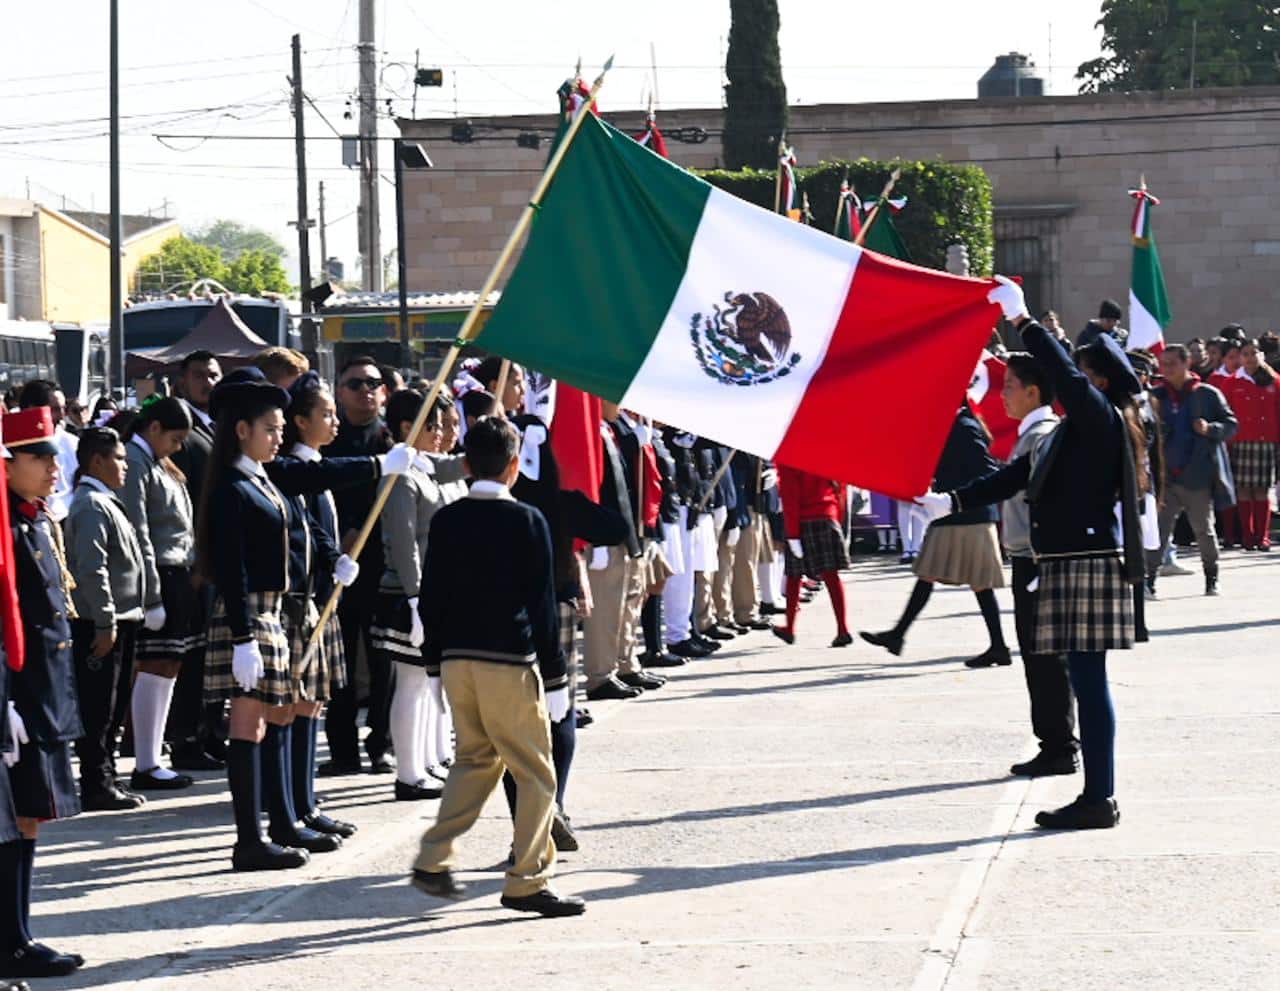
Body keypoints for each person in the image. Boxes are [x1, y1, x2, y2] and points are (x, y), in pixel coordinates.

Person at [923, 280, 1147, 829]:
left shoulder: (1099, 420)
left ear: (1095, 380)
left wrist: (1024, 323)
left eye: (1082, 371)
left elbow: (1064, 378)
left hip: (1085, 560)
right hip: (1069, 561)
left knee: (1090, 684)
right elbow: (1015, 477)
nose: (1075, 378)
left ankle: (1100, 796)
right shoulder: (1072, 432)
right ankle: (1097, 792)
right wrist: (949, 500)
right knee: (1085, 680)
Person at [197, 371, 395, 870]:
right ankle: (249, 839)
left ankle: (282, 821)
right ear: (242, 430)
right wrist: (242, 636)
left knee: (279, 715)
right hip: (252, 615)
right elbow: (231, 567)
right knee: (248, 724)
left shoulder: (263, 478)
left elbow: (304, 519)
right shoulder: (230, 488)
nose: (279, 435)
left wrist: (332, 558)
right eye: (270, 427)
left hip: (275, 610)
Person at [410, 416, 583, 917]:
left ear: (465, 464)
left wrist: (434, 659)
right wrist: (555, 677)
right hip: (509, 659)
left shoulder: (447, 519)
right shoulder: (528, 520)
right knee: (535, 774)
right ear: (514, 466)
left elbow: (434, 593)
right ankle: (527, 881)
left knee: (474, 760)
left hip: (457, 658)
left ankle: (434, 856)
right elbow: (541, 604)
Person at [2, 406, 86, 975]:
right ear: (9, 465)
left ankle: (20, 933)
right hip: (19, 692)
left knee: (31, 817)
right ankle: (11, 940)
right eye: (40, 457)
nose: (55, 467)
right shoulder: (6, 526)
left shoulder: (34, 519)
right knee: (11, 820)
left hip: (45, 692)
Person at [861, 403, 1010, 667]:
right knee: (934, 575)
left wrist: (956, 495)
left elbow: (987, 470)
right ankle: (898, 635)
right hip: (958, 514)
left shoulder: (964, 427)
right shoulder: (956, 424)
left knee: (966, 581)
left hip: (966, 514)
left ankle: (998, 646)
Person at [277, 373, 360, 839]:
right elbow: (306, 528)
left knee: (314, 701)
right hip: (301, 598)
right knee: (296, 701)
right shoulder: (296, 471)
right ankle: (291, 804)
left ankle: (307, 804)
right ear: (299, 420)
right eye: (324, 414)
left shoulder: (317, 467)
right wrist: (331, 560)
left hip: (322, 596)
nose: (333, 421)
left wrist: (338, 561)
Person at [65, 427, 165, 812]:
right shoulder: (91, 504)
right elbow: (93, 569)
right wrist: (105, 622)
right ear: (97, 461)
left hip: (122, 618)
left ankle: (107, 777)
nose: (125, 465)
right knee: (99, 706)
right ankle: (96, 783)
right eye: (118, 458)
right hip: (101, 622)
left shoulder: (107, 501)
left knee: (113, 700)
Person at [990, 354, 1077, 776]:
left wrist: (1042, 558)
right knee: (1038, 656)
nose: (1003, 393)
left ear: (1033, 392)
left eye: (1009, 385)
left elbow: (1048, 500)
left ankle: (1059, 746)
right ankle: (1055, 743)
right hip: (1029, 558)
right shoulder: (1033, 434)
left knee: (1044, 657)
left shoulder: (1040, 435)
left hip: (1037, 560)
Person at [117, 398, 203, 792]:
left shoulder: (153, 461)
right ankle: (146, 761)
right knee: (156, 664)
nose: (179, 446)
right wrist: (151, 594)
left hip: (176, 571)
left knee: (169, 664)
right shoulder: (136, 462)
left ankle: (153, 756)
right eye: (175, 437)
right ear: (153, 428)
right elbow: (140, 532)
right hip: (160, 574)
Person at [372, 390, 451, 802]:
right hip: (405, 592)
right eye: (432, 425)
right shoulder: (401, 475)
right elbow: (404, 543)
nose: (439, 434)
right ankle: (407, 773)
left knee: (421, 683)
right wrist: (418, 596)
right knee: (411, 681)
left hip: (424, 591)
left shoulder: (423, 469)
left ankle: (420, 765)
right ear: (407, 428)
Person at [321, 356, 393, 775]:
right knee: (340, 661)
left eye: (374, 382)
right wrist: (340, 542)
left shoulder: (392, 439)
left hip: (383, 563)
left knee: (383, 659)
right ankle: (343, 748)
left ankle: (380, 743)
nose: (366, 390)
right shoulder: (330, 439)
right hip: (340, 564)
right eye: (355, 383)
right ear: (340, 391)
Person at [168, 350, 223, 771]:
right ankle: (185, 738)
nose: (208, 381)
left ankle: (208, 732)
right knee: (190, 654)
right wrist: (199, 559)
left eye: (214, 374)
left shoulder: (215, 426)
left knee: (209, 651)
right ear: (183, 380)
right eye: (200, 375)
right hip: (193, 557)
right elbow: (188, 503)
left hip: (216, 555)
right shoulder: (181, 431)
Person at [1148, 345, 1238, 596]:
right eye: (1163, 364)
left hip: (1197, 475)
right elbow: (1143, 432)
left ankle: (1212, 576)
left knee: (1203, 530)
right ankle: (1150, 579)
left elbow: (1231, 424)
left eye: (1172, 364)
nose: (1166, 369)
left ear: (1186, 364)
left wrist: (1210, 429)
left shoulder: (1207, 394)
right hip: (1166, 478)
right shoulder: (1156, 396)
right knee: (1159, 531)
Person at [771, 466, 852, 648]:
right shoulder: (826, 454)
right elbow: (841, 491)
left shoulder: (789, 458)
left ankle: (790, 628)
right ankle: (843, 628)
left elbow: (790, 497)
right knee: (832, 576)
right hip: (828, 516)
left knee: (793, 575)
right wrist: (838, 521)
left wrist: (792, 534)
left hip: (804, 520)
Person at [1230, 341, 1278, 550]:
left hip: (1266, 441)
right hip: (1240, 441)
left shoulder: (1274, 381)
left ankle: (1263, 536)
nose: (1250, 358)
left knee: (1261, 490)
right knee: (1242, 490)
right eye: (1245, 354)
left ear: (1262, 355)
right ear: (1240, 357)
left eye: (1254, 353)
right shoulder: (1232, 382)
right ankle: (1247, 537)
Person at [16, 383, 76, 524]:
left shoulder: (73, 444)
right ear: (31, 409)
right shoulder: (7, 446)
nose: (62, 416)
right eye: (54, 409)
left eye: (64, 409)